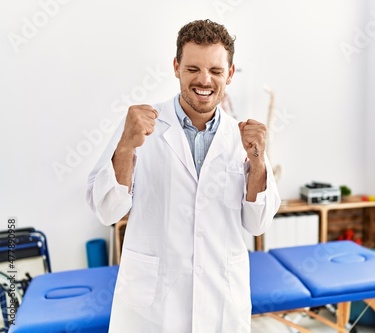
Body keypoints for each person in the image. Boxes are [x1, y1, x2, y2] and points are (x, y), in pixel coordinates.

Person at [86, 19, 281, 332]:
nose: (204, 80)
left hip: (221, 300)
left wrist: (257, 159)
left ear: (229, 74)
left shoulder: (242, 137)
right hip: (153, 307)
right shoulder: (140, 126)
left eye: (216, 71)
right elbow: (107, 210)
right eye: (193, 69)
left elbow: (257, 223)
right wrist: (126, 146)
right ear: (176, 67)